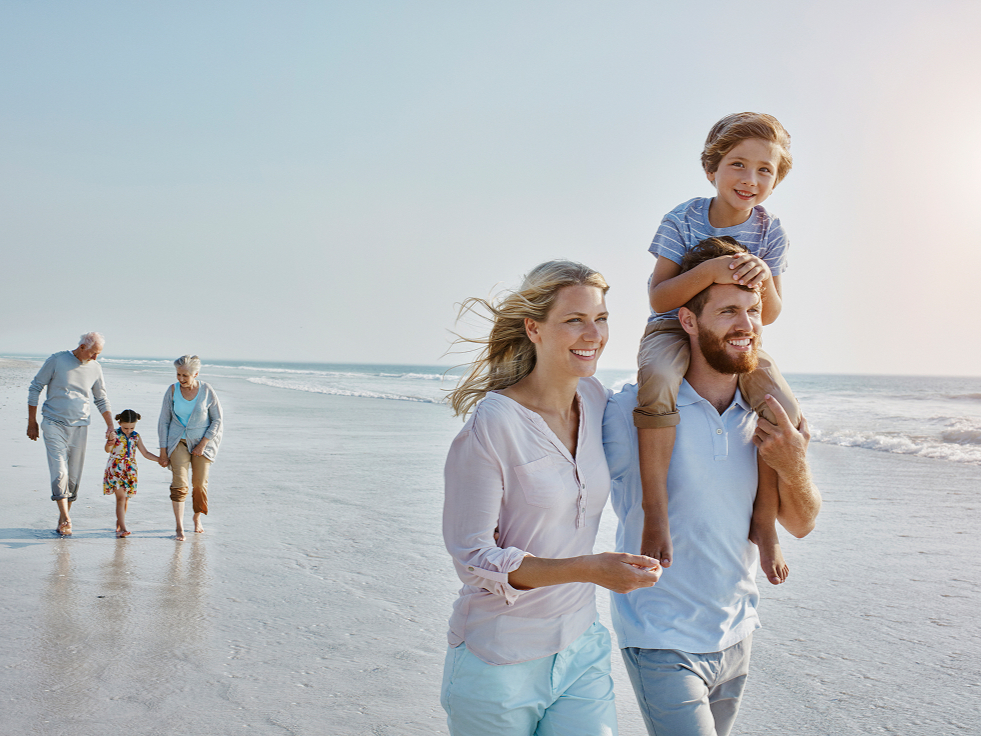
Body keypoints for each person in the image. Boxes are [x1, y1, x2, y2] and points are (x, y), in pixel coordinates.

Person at [604, 237, 822, 736]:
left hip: (738, 633)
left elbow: (804, 524)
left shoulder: (767, 414)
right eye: (727, 311)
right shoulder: (626, 411)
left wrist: (795, 464)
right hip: (661, 636)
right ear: (688, 320)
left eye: (751, 310)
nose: (746, 324)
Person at [441, 260, 661, 736]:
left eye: (600, 318)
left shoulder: (598, 399)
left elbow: (669, 391)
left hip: (582, 647)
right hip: (499, 658)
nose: (594, 334)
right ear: (533, 328)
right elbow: (474, 557)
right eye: (574, 320)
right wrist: (589, 569)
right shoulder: (493, 424)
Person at [635, 112, 802, 585]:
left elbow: (768, 314)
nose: (750, 179)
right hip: (672, 327)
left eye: (765, 170)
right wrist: (710, 273)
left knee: (781, 411)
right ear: (712, 169)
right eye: (737, 165)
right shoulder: (683, 218)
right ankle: (656, 513)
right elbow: (659, 297)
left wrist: (764, 277)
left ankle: (765, 524)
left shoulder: (771, 233)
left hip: (740, 335)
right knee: (658, 384)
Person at [27, 332, 115, 536]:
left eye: (98, 354)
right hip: (53, 422)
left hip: (80, 426)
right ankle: (67, 518)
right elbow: (35, 388)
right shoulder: (57, 360)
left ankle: (61, 519)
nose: (95, 358)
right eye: (94, 353)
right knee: (60, 472)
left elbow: (101, 398)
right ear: (83, 347)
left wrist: (110, 425)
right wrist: (32, 422)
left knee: (74, 477)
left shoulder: (95, 368)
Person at [157, 355, 223, 541]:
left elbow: (217, 419)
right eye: (178, 374)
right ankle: (179, 527)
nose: (181, 379)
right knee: (180, 484)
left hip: (203, 442)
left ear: (196, 374)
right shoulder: (171, 391)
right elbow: (164, 421)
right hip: (177, 441)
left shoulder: (207, 390)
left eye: (185, 375)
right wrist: (163, 451)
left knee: (199, 484)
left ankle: (196, 517)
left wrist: (203, 443)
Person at [103, 409, 160, 537]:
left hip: (130, 470)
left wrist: (159, 459)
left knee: (126, 499)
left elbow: (145, 453)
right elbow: (107, 450)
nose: (128, 430)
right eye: (125, 428)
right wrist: (110, 441)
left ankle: (119, 522)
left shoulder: (136, 436)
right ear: (119, 423)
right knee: (121, 498)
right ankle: (123, 528)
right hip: (116, 468)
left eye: (131, 428)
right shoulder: (115, 434)